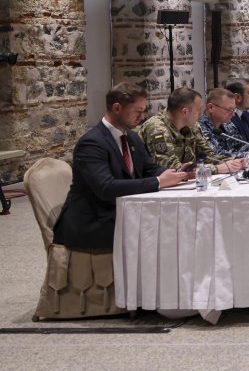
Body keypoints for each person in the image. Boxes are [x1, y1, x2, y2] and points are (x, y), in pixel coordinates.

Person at [52, 83, 189, 251]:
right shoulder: (92, 143)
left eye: (144, 111)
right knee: (163, 234)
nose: (142, 117)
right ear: (117, 108)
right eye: (138, 111)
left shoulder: (131, 136)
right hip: (94, 224)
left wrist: (178, 174)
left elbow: (148, 168)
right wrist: (159, 181)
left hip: (122, 212)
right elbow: (106, 187)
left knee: (175, 227)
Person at [137, 87, 245, 176]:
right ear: (185, 111)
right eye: (198, 110)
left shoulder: (192, 126)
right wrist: (216, 169)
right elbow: (171, 168)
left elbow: (208, 155)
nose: (201, 114)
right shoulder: (157, 128)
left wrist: (237, 161)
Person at [197, 87, 249, 162]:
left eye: (234, 110)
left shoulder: (228, 124)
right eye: (229, 110)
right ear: (211, 108)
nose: (233, 115)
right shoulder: (199, 128)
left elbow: (241, 146)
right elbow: (216, 155)